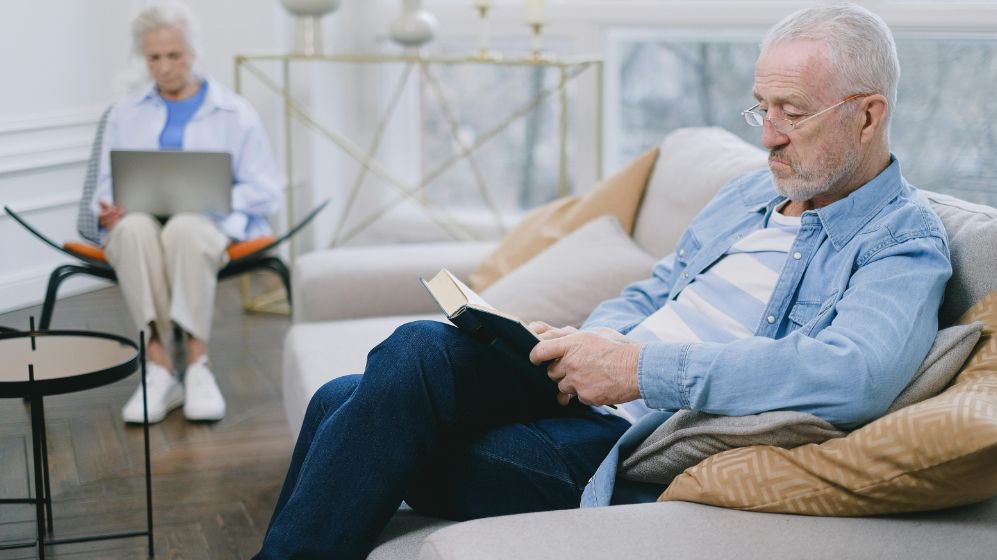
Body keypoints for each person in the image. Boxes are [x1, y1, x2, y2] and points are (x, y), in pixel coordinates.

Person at [254, 3, 952, 558]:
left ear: (868, 115)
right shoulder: (750, 193)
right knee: (410, 353)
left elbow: (853, 374)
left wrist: (640, 369)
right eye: (761, 108)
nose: (769, 134)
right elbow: (657, 287)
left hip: (628, 447)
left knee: (348, 402)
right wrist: (588, 341)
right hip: (589, 385)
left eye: (793, 113)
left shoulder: (903, 242)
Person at [92, 3, 281, 424]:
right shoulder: (125, 112)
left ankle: (197, 364)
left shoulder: (234, 112)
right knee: (131, 232)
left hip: (207, 224)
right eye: (154, 57)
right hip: (142, 220)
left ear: (192, 54)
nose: (163, 67)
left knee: (185, 229)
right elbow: (106, 183)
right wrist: (108, 211)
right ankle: (159, 367)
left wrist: (222, 207)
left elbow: (265, 190)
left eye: (173, 56)